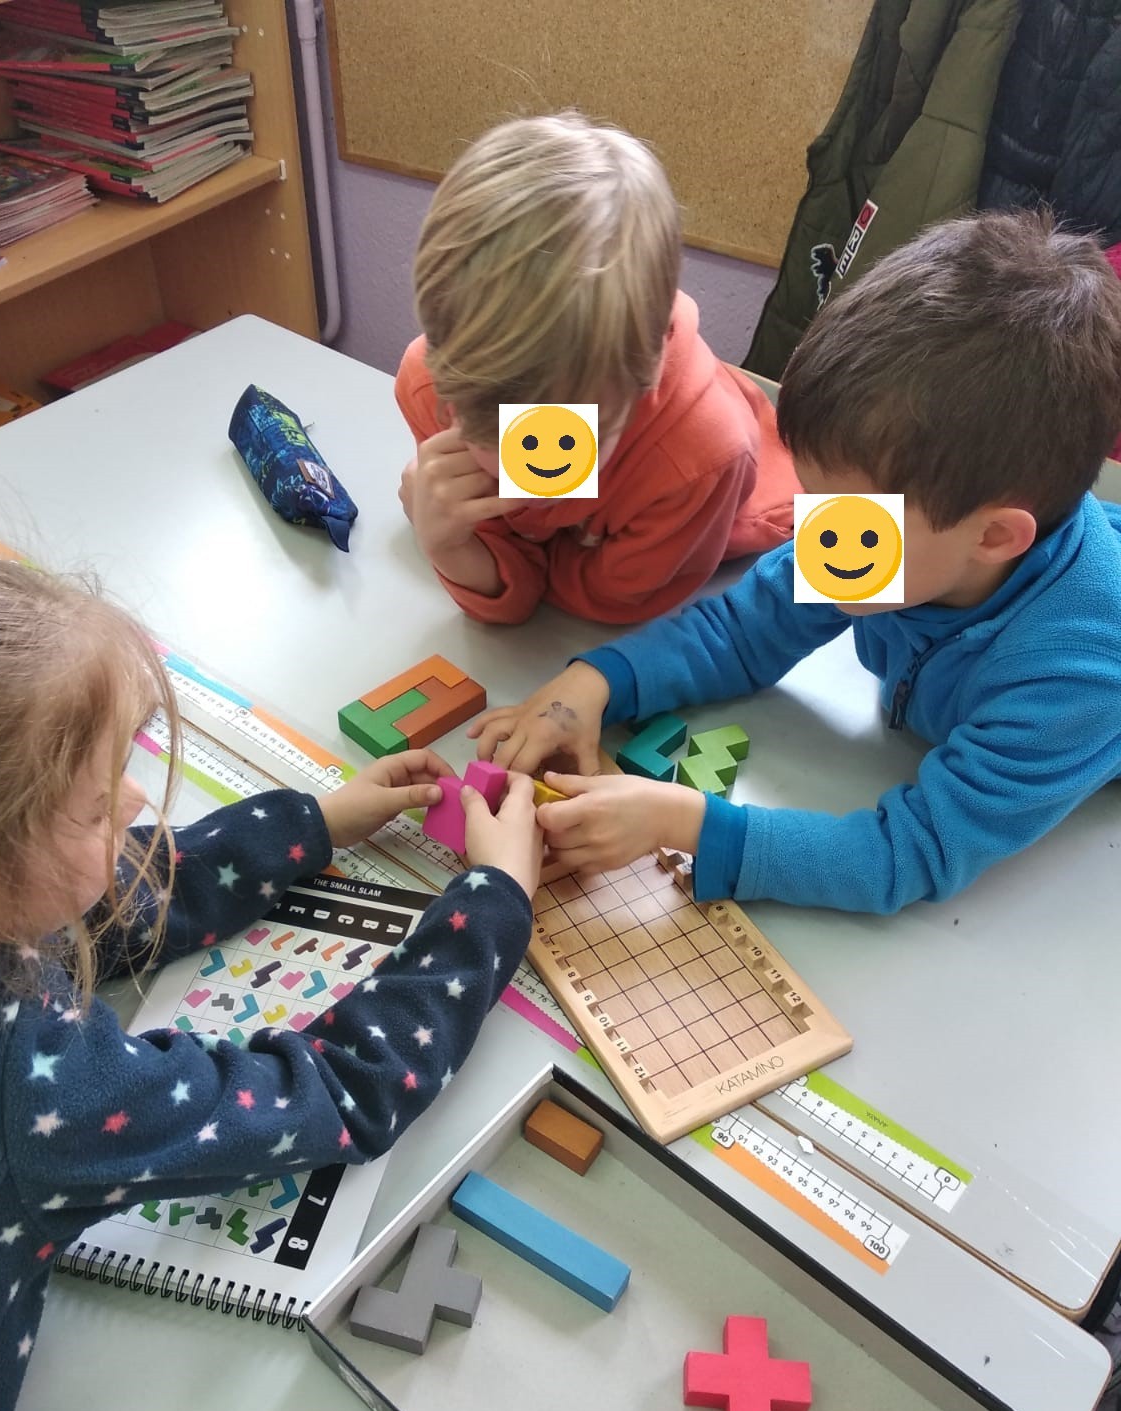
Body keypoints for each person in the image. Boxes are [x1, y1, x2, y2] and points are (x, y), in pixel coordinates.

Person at [0, 546, 541, 1411]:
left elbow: (88, 907)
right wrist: (493, 902)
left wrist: (315, 823)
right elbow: (342, 1088)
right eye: (93, 808)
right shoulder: (27, 1085)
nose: (131, 802)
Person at [471, 211, 1121, 913]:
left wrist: (688, 823)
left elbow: (910, 853)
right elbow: (742, 630)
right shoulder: (883, 534)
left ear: (994, 537)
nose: (814, 535)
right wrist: (595, 682)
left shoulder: (1076, 673)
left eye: (845, 519)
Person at [395, 111, 799, 626]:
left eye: (563, 439)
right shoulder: (429, 384)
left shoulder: (702, 461)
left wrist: (502, 558)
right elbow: (509, 564)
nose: (521, 473)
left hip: (748, 515)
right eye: (487, 430)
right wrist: (450, 547)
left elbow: (608, 600)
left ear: (644, 373)